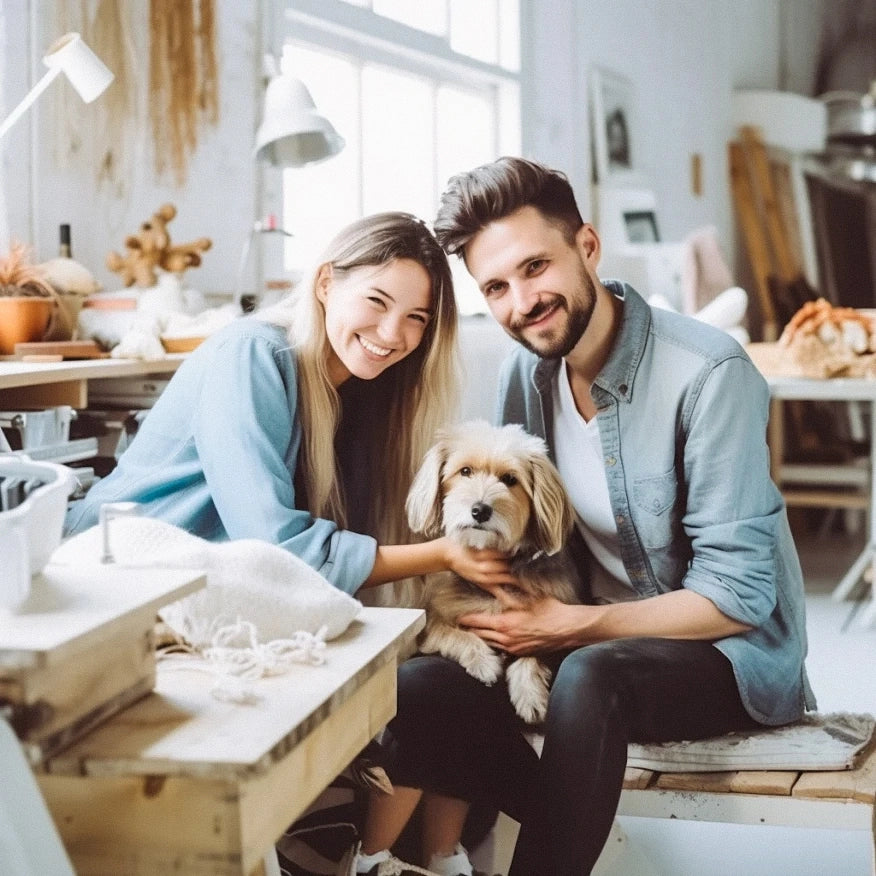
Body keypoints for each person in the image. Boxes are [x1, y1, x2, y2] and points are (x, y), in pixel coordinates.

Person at [362, 157, 816, 876]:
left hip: (721, 652)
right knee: (420, 686)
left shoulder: (708, 374)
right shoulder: (527, 372)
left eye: (535, 267)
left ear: (589, 248)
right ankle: (467, 846)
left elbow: (740, 597)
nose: (522, 302)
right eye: (497, 288)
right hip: (575, 633)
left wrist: (573, 626)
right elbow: (519, 535)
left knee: (591, 677)